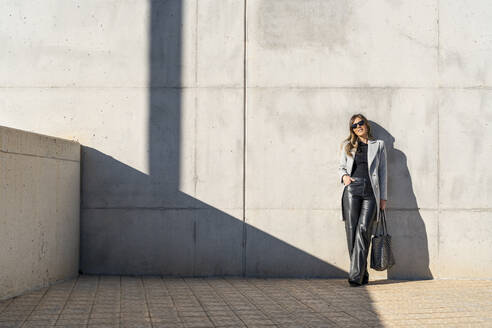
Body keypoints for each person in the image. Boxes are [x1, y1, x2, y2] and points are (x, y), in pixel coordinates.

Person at [338, 114, 387, 287]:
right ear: (352, 130)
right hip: (352, 189)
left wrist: (383, 197)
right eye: (354, 125)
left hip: (371, 192)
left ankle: (355, 275)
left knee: (363, 230)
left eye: (360, 123)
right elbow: (341, 166)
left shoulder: (379, 145)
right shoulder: (348, 146)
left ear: (366, 125)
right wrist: (344, 176)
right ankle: (361, 273)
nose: (358, 127)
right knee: (352, 232)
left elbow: (382, 173)